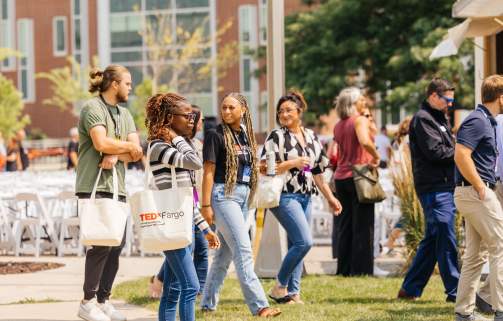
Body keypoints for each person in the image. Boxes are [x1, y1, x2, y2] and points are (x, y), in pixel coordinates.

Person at [200, 93, 281, 317]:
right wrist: (205, 206)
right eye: (224, 107)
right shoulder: (215, 135)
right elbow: (208, 172)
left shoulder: (245, 135)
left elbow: (245, 166)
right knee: (244, 251)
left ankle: (207, 305)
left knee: (224, 256)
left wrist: (260, 167)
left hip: (243, 196)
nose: (226, 112)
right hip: (223, 196)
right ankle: (260, 306)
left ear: (243, 110)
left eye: (231, 108)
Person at [261, 91, 342, 304]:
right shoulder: (276, 136)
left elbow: (318, 173)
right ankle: (279, 286)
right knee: (304, 241)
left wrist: (330, 198)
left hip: (306, 196)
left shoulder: (312, 136)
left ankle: (293, 293)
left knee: (296, 244)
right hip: (285, 196)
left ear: (299, 111)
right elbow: (265, 168)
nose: (284, 114)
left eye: (288, 110)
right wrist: (292, 163)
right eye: (280, 111)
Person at [144, 93, 220, 321]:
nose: (191, 119)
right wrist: (176, 138)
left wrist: (205, 228)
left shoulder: (174, 145)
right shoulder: (158, 146)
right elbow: (195, 161)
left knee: (174, 289)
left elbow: (185, 199)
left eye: (193, 115)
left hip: (183, 222)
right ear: (169, 118)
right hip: (171, 224)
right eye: (186, 115)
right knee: (190, 286)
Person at [76, 65, 143, 321]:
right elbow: (100, 143)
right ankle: (87, 301)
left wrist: (116, 153)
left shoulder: (125, 113)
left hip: (117, 187)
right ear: (114, 84)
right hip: (94, 186)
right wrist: (119, 148)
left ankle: (103, 300)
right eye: (127, 83)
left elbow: (136, 151)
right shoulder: (93, 108)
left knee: (116, 243)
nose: (130, 87)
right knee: (100, 244)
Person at [397, 78, 459, 302]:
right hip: (434, 187)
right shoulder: (423, 119)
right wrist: (461, 151)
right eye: (447, 99)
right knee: (445, 235)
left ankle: (410, 288)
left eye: (452, 99)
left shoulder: (440, 117)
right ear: (433, 95)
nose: (450, 104)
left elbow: (445, 148)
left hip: (443, 185)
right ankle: (456, 291)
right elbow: (436, 152)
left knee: (434, 238)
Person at [454, 75, 503, 321]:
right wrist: (480, 187)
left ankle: (464, 313)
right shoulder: (477, 120)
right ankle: (501, 310)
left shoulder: (487, 121)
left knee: (475, 255)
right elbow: (461, 154)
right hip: (476, 191)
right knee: (501, 246)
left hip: (473, 191)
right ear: (500, 97)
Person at [332, 87, 380, 276]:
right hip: (359, 176)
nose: (364, 102)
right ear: (352, 103)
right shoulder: (359, 121)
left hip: (341, 177)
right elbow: (365, 141)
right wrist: (376, 157)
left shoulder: (338, 125)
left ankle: (344, 269)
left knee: (345, 226)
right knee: (363, 225)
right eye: (361, 100)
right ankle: (362, 270)